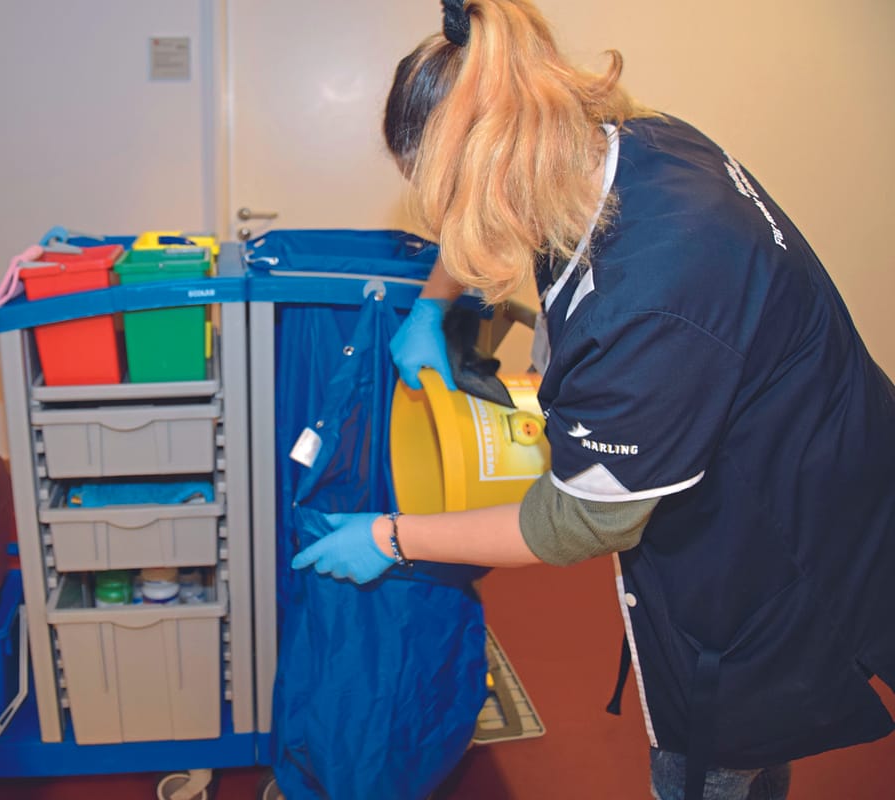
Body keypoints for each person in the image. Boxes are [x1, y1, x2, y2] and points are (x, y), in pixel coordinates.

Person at [289, 1, 895, 798]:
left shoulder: (653, 296)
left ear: (500, 165)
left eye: (453, 199)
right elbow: (499, 203)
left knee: (714, 753)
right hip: (798, 438)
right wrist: (430, 309)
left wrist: (393, 537)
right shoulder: (627, 143)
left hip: (787, 527)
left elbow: (571, 523)